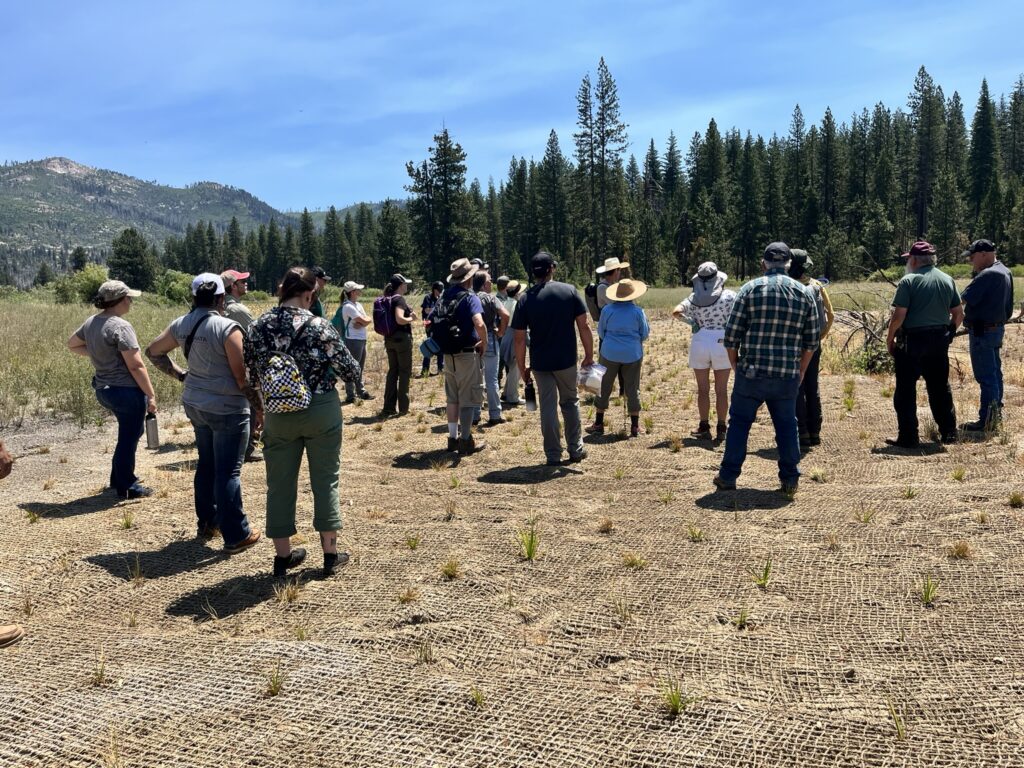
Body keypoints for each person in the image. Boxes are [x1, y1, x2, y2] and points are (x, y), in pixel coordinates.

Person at [245, 267, 362, 579]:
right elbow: (350, 370)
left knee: (279, 484)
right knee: (326, 479)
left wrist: (262, 405)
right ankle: (330, 554)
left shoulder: (258, 326)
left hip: (278, 413)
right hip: (320, 407)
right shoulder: (319, 326)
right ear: (309, 294)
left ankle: (283, 558)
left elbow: (251, 374)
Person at [146, 274, 262, 553]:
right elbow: (241, 377)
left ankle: (209, 522)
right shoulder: (228, 327)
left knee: (207, 464)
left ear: (195, 296)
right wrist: (260, 407)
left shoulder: (181, 324)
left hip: (196, 404)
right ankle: (236, 534)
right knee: (229, 471)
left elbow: (153, 351)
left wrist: (181, 375)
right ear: (222, 298)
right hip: (227, 407)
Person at [713, 243, 820, 494]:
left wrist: (735, 364)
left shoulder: (749, 290)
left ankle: (728, 476)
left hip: (751, 371)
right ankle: (790, 478)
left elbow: (731, 336)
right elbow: (812, 341)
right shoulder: (804, 293)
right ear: (789, 265)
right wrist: (801, 370)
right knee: (786, 424)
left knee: (739, 423)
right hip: (786, 373)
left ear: (763, 264)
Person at [67, 280, 158, 499]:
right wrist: (151, 394)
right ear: (119, 300)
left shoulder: (91, 322)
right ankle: (127, 486)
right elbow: (136, 366)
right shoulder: (121, 326)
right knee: (130, 436)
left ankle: (117, 478)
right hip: (125, 391)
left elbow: (72, 344)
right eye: (128, 298)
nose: (130, 302)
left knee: (126, 434)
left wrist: (101, 354)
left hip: (104, 390)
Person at [512, 252, 594, 466]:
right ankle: (575, 449)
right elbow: (584, 325)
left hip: (540, 363)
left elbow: (519, 339)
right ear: (552, 269)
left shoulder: (525, 299)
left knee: (547, 407)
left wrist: (522, 367)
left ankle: (553, 454)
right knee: (570, 402)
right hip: (566, 360)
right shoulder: (569, 291)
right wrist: (589, 354)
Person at [885, 241, 962, 448]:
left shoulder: (908, 280)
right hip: (938, 341)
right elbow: (958, 313)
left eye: (909, 258)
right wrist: (949, 333)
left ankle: (908, 437)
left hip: (912, 342)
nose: (908, 262)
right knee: (940, 388)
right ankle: (949, 433)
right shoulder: (947, 279)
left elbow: (899, 316)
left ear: (916, 260)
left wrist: (890, 338)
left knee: (906, 390)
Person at [672, 262, 737, 441]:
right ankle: (722, 427)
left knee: (702, 389)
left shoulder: (693, 298)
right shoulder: (730, 296)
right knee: (721, 390)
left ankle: (704, 425)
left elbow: (676, 312)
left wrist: (692, 323)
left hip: (700, 341)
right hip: (722, 342)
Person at [960, 239, 1014, 433]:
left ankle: (987, 420)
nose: (971, 262)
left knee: (986, 376)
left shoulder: (987, 274)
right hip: (996, 329)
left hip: (982, 331)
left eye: (973, 257)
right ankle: (995, 414)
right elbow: (1009, 307)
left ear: (984, 254)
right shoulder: (1005, 271)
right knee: (995, 373)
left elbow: (962, 299)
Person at [437, 259, 488, 455]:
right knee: (467, 398)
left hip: (448, 354)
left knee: (452, 397)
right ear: (470, 277)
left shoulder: (444, 296)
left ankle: (452, 438)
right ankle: (466, 440)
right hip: (466, 352)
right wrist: (484, 342)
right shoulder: (469, 297)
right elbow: (479, 323)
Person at [587, 279, 650, 437]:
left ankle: (599, 423)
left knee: (603, 386)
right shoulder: (638, 311)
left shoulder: (607, 310)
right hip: (632, 353)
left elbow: (601, 332)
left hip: (609, 352)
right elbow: (645, 334)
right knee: (633, 387)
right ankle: (635, 426)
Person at [788, 250, 834, 449]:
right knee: (812, 385)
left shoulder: (787, 286)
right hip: (814, 343)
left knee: (796, 386)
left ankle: (802, 432)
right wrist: (820, 336)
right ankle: (815, 431)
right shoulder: (816, 285)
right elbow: (830, 314)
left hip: (792, 343)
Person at [221, 269, 261, 462]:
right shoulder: (238, 310)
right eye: (242, 282)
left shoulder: (220, 308)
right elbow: (256, 337)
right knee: (251, 405)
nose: (246, 284)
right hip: (242, 365)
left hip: (223, 366)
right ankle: (248, 448)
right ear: (233, 287)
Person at [474, 270, 510, 426]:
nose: (491, 283)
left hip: (472, 341)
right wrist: (501, 332)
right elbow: (505, 315)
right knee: (491, 379)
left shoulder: (469, 297)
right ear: (484, 284)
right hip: (489, 338)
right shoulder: (491, 299)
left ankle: (475, 414)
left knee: (475, 380)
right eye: (489, 280)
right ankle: (495, 414)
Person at [332, 281, 375, 404]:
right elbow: (364, 320)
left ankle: (360, 391)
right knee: (351, 367)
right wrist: (364, 321)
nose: (360, 291)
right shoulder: (348, 306)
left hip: (361, 339)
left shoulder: (358, 305)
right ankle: (351, 395)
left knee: (359, 367)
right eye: (358, 289)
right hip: (352, 340)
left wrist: (363, 321)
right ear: (352, 292)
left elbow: (367, 319)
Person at [379, 273, 414, 417]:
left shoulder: (388, 298)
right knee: (404, 372)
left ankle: (388, 407)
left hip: (389, 339)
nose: (407, 285)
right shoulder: (399, 299)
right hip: (402, 340)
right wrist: (411, 318)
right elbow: (400, 319)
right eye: (405, 283)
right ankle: (404, 408)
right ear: (401, 285)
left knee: (393, 372)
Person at [500, 280, 524, 405]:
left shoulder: (505, 302)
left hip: (506, 336)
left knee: (513, 367)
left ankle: (506, 393)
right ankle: (513, 396)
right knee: (516, 367)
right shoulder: (516, 305)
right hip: (514, 336)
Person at [419, 281, 445, 377]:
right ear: (435, 290)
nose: (441, 292)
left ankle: (440, 368)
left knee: (441, 347)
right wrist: (436, 309)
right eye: (439, 290)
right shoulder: (428, 298)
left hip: (439, 326)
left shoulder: (442, 298)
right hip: (430, 326)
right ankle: (425, 370)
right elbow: (426, 310)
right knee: (429, 346)